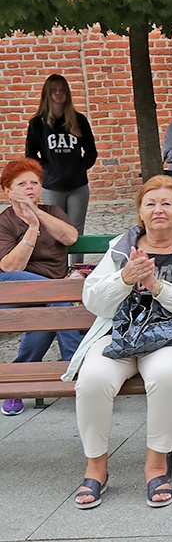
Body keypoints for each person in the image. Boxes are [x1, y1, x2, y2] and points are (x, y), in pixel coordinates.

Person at [65, 175, 172, 509]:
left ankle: (156, 464)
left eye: (167, 203)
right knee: (92, 379)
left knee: (167, 375)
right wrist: (125, 279)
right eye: (150, 204)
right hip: (120, 334)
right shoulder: (120, 248)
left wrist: (158, 286)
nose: (159, 210)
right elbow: (93, 300)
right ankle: (96, 466)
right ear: (140, 212)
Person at [0, 158, 80, 416]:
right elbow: (11, 267)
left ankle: (17, 383)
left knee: (48, 311)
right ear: (7, 191)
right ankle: (75, 363)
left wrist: (38, 216)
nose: (30, 188)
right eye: (21, 184)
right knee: (57, 295)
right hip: (14, 288)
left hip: (50, 295)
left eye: (34, 183)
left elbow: (70, 237)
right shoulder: (4, 222)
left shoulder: (53, 212)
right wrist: (31, 230)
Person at [25, 74, 97, 244]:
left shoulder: (78, 120)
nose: (59, 93)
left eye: (62, 90)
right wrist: (47, 171)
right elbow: (30, 155)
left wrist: (80, 168)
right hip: (52, 187)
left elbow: (91, 151)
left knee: (77, 230)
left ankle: (77, 269)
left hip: (78, 186)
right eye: (54, 90)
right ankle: (58, 269)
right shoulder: (38, 124)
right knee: (55, 230)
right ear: (47, 94)